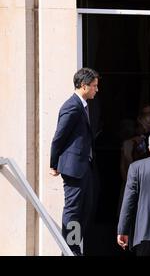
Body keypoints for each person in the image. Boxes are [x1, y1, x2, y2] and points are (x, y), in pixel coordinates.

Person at [49, 67, 99, 255]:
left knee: (86, 208)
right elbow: (58, 137)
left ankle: (74, 246)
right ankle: (70, 249)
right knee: (73, 210)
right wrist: (53, 164)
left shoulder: (84, 105)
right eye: (94, 86)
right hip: (74, 168)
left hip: (85, 167)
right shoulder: (72, 106)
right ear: (84, 86)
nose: (96, 89)